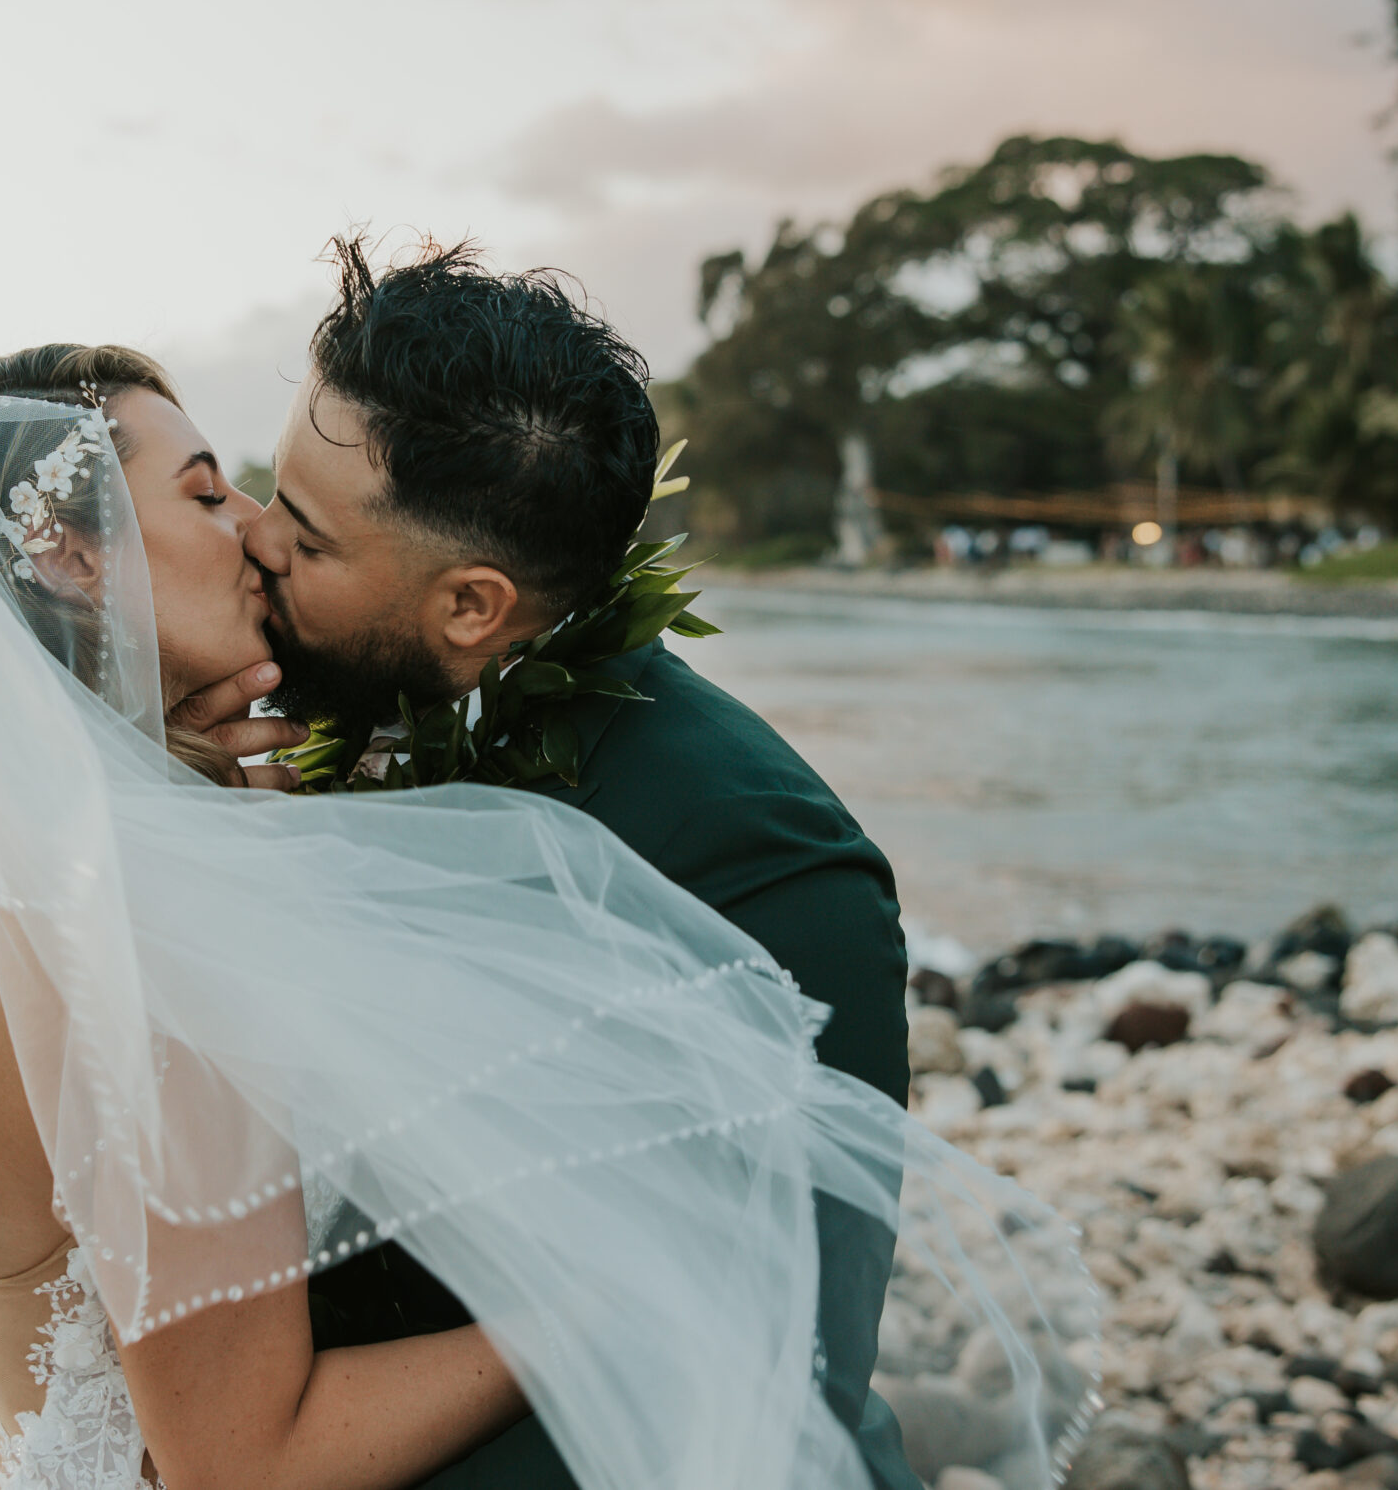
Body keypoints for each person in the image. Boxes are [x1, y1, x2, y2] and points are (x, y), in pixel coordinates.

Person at [0, 342, 1091, 1490]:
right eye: (206, 491)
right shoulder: (150, 929)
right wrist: (606, 1296)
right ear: (67, 555)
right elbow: (241, 1460)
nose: (248, 528)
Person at [220, 238, 919, 1490]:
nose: (253, 545)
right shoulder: (291, 728)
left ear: (473, 609)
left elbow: (783, 1344)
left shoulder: (758, 862)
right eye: (272, 491)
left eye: (310, 540)